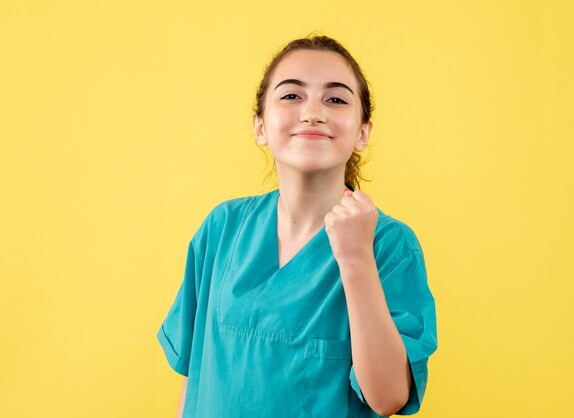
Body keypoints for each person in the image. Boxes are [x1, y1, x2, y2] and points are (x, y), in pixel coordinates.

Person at [157, 34, 438, 418]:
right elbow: (195, 376)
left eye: (336, 99)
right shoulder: (221, 230)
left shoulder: (389, 246)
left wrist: (356, 259)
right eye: (291, 96)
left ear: (362, 132)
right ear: (260, 126)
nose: (313, 112)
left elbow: (387, 397)